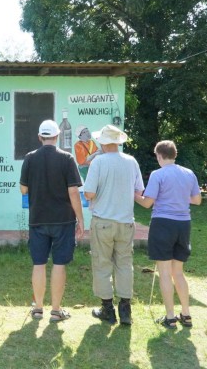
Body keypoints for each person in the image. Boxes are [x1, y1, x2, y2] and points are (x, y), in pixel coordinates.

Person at [19, 120, 85, 322]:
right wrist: (81, 220)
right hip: (63, 221)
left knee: (38, 263)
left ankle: (38, 309)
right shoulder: (67, 158)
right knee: (59, 264)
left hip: (38, 219)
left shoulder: (30, 158)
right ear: (56, 137)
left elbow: (23, 189)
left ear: (40, 137)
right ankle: (56, 311)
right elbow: (73, 191)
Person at [134, 140, 202, 329]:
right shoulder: (189, 173)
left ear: (159, 155)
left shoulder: (158, 174)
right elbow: (197, 200)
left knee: (164, 272)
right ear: (175, 154)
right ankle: (186, 314)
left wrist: (134, 195)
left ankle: (170, 317)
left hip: (163, 224)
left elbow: (147, 203)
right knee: (178, 272)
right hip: (183, 224)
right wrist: (179, 197)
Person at [83, 124, 144, 325]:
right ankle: (125, 309)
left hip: (103, 221)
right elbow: (139, 191)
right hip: (126, 221)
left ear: (102, 141)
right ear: (118, 142)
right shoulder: (131, 161)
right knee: (125, 264)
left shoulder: (98, 163)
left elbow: (89, 193)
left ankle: (107, 309)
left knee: (102, 264)